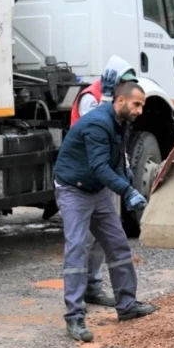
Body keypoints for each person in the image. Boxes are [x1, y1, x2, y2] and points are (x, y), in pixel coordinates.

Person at [51, 80, 158, 342]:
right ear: (120, 101)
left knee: (118, 245)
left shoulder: (121, 122)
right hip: (73, 190)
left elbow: (116, 159)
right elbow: (99, 167)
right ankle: (75, 317)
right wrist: (127, 191)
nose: (140, 110)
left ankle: (127, 306)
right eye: (136, 104)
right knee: (77, 248)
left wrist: (126, 176)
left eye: (142, 105)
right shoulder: (99, 123)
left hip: (96, 190)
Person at [68, 56, 139, 307]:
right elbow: (99, 138)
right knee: (83, 241)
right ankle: (79, 299)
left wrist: (125, 168)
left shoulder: (117, 102)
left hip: (102, 179)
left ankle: (94, 288)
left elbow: (118, 142)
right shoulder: (91, 98)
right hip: (83, 179)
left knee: (106, 239)